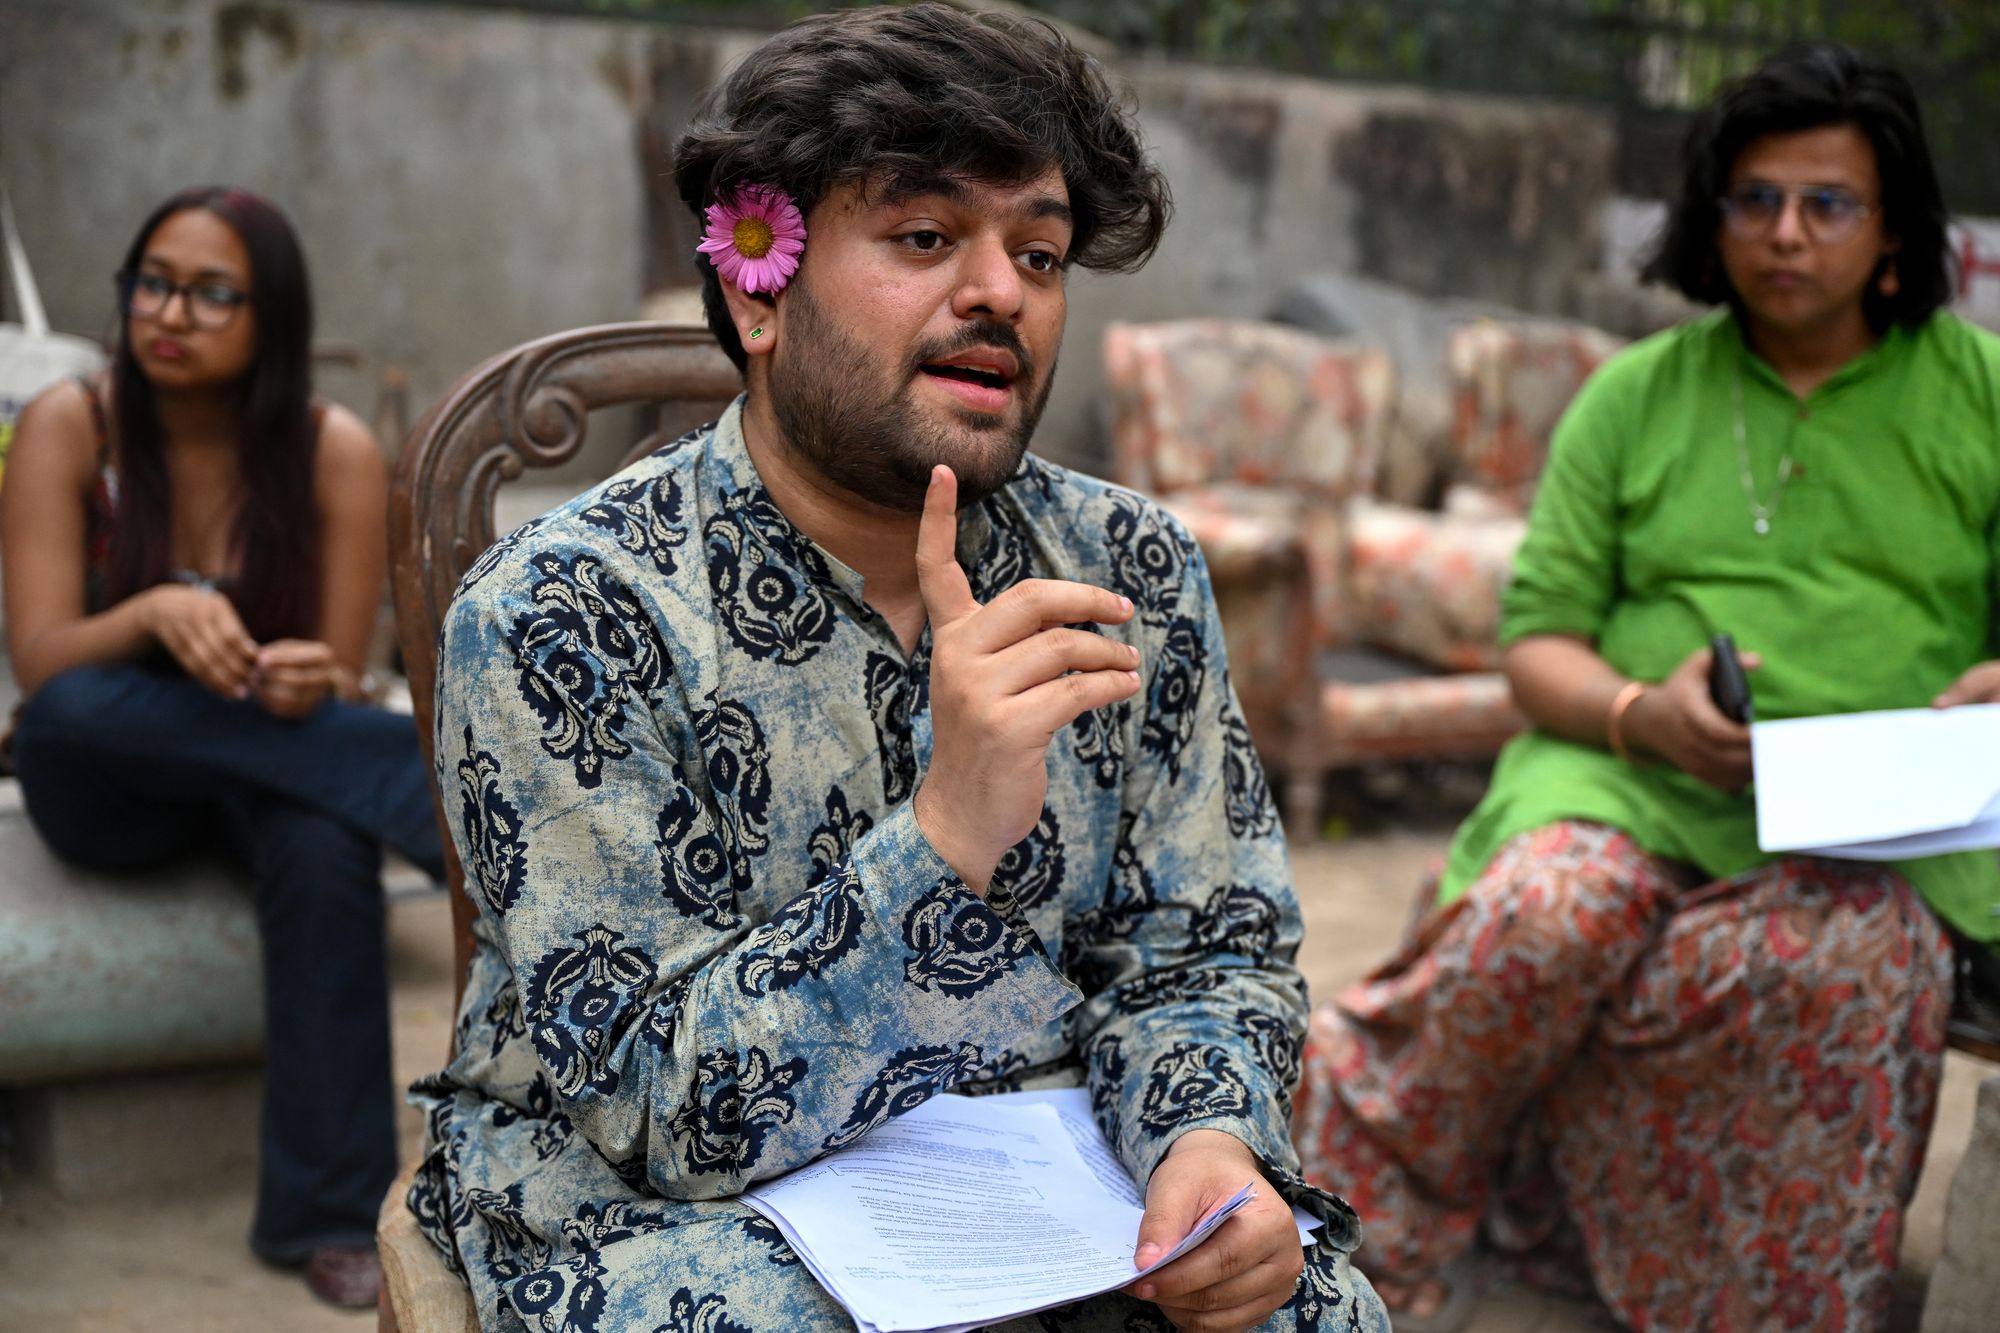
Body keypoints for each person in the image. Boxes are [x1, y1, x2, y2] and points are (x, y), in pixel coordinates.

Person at [404, 7, 1387, 1332]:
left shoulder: (1129, 569)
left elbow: (1206, 949)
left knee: (1306, 1304)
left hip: (1039, 1179)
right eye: (926, 237)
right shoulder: (566, 610)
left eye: (1038, 252)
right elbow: (648, 1104)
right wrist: (944, 835)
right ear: (761, 286)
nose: (1001, 291)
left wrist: (1204, 1146)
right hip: (673, 1206)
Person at [1291, 42, 2000, 1332]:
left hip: (1876, 812)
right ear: (1709, 218)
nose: (1785, 234)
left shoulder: (1981, 394)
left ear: (1892, 226)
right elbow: (1538, 642)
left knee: (1857, 979)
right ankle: (1358, 1225)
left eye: (1826, 203)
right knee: (1538, 922)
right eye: (1753, 200)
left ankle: (1698, 1277)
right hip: (1624, 770)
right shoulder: (1631, 397)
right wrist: (1638, 715)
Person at [0, 186, 444, 1309]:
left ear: (271, 315)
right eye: (153, 282)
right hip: (106, 783)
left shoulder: (327, 450)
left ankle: (329, 1215)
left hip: (275, 771)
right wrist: (147, 614)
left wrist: (308, 675)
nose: (172, 312)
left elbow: (335, 675)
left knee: (322, 848)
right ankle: (428, 796)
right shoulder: (74, 423)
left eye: (211, 293)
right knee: (65, 712)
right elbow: (46, 660)